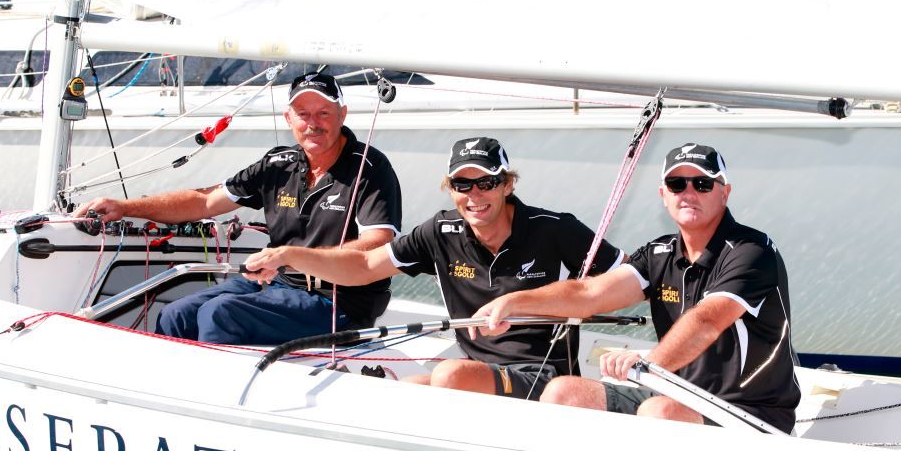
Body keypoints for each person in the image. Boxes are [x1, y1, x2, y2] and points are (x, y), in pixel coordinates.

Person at [243, 137, 624, 399]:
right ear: (450, 188)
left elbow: (627, 281)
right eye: (462, 184)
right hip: (475, 367)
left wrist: (522, 302)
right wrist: (289, 254)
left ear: (507, 185)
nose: (474, 196)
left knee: (447, 376)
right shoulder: (440, 231)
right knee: (395, 395)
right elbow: (362, 265)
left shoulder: (555, 229)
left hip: (543, 374)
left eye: (486, 183)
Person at [472, 143, 800, 432]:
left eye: (702, 184)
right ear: (663, 195)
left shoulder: (751, 250)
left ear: (724, 192)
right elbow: (589, 294)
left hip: (751, 413)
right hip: (676, 393)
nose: (688, 193)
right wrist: (515, 300)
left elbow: (708, 320)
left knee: (658, 412)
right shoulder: (659, 253)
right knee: (563, 392)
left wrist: (649, 363)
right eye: (676, 184)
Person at [72, 72, 402, 345]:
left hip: (337, 301)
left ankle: (213, 412)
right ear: (289, 118)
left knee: (220, 313)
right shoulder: (279, 164)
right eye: (303, 114)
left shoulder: (369, 168)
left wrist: (290, 255)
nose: (312, 123)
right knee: (177, 313)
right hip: (278, 284)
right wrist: (126, 206)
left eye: (323, 113)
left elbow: (377, 245)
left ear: (342, 115)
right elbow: (204, 201)